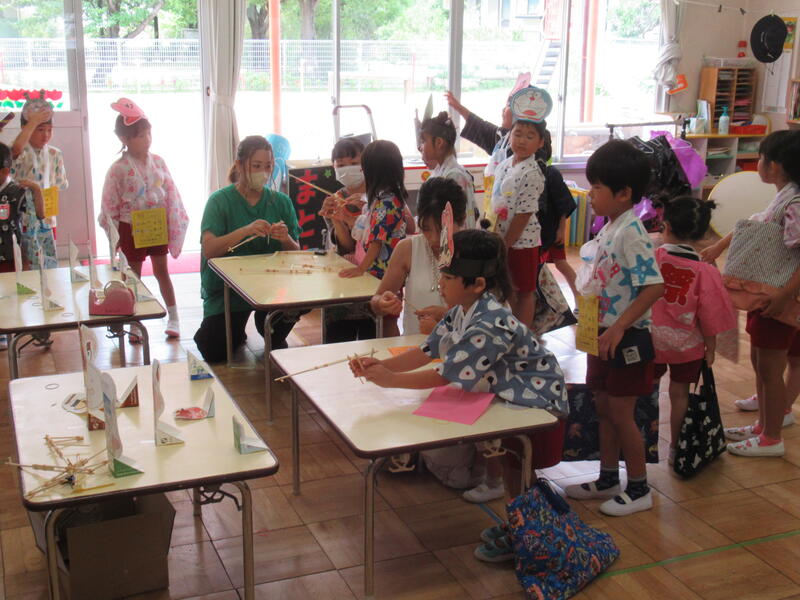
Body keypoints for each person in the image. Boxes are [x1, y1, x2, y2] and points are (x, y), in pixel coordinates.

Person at [349, 228, 567, 562]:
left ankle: (528, 536)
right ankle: (519, 525)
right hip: (513, 397)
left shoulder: (491, 321)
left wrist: (390, 380)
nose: (441, 285)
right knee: (511, 465)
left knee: (520, 468)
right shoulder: (463, 308)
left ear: (477, 283)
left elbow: (447, 373)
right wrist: (381, 365)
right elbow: (428, 350)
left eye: (448, 278)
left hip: (538, 402)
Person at [564, 140, 664, 517]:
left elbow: (653, 286)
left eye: (596, 187)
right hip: (603, 333)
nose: (590, 194)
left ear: (624, 193)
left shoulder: (631, 233)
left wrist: (620, 328)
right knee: (604, 407)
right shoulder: (610, 228)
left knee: (622, 413)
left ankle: (638, 487)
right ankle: (607, 477)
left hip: (626, 337)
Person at [703, 130, 800, 457]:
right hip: (768, 294)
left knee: (770, 369)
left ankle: (771, 437)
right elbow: (754, 224)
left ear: (775, 165)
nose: (758, 163)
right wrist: (719, 246)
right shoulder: (785, 196)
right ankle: (763, 426)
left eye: (760, 158)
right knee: (761, 363)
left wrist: (785, 295)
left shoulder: (794, 203)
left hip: (778, 298)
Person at [194, 135, 301, 363]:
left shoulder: (281, 202)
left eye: (268, 166)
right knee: (214, 350)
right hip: (227, 291)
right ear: (240, 165)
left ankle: (272, 330)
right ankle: (237, 329)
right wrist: (245, 230)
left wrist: (285, 239)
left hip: (271, 288)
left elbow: (296, 252)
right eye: (256, 166)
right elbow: (209, 250)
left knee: (275, 330)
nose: (263, 172)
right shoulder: (219, 201)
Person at [651, 196, 737, 464]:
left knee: (646, 392)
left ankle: (643, 444)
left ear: (665, 226)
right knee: (680, 395)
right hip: (687, 346)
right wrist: (711, 346)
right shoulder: (705, 271)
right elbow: (711, 314)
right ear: (704, 235)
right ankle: (676, 449)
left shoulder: (653, 258)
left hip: (650, 341)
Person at [99, 98, 188, 338]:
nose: (147, 139)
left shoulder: (158, 162)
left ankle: (174, 317)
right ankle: (133, 321)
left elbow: (171, 193)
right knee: (133, 274)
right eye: (140, 135)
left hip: (156, 223)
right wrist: (114, 234)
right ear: (124, 138)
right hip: (130, 226)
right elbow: (109, 204)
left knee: (162, 271)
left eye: (148, 133)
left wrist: (172, 221)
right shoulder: (117, 168)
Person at [370, 177, 466, 336]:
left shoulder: (477, 251)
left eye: (442, 230)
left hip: (465, 348)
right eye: (426, 228)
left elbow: (493, 315)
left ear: (461, 219)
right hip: (415, 347)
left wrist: (448, 317)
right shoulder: (408, 249)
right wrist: (381, 303)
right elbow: (376, 301)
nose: (434, 239)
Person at [492, 117, 546, 328]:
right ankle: (508, 330)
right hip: (501, 238)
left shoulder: (532, 172)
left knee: (523, 291)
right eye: (518, 134)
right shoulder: (504, 164)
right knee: (506, 288)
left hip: (522, 242)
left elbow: (524, 214)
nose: (522, 140)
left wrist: (506, 244)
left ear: (540, 142)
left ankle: (523, 336)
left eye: (530, 136)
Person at [338, 140, 408, 282]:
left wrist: (360, 269)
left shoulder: (386, 203)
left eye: (363, 168)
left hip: (382, 272)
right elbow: (369, 228)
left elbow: (376, 242)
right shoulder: (387, 198)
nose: (361, 171)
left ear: (372, 171)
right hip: (384, 269)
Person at [11, 95, 68, 269]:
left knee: (48, 259)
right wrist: (33, 121)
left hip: (47, 216)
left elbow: (60, 184)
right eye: (40, 129)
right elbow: (16, 149)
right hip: (23, 217)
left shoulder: (55, 154)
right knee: (27, 262)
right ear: (25, 129)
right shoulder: (20, 152)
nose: (46, 135)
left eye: (49, 130)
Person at [536, 130, 579, 303]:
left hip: (551, 230)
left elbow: (564, 204)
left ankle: (579, 299)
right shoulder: (526, 172)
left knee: (561, 264)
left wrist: (561, 229)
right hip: (537, 232)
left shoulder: (551, 173)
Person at [418, 111, 477, 227]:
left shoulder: (454, 176)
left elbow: (455, 222)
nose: (421, 147)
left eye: (424, 141)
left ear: (439, 142)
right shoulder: (441, 171)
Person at [0, 142, 44, 273]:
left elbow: (40, 214)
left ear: (5, 171)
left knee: (10, 283)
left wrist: (37, 189)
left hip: (10, 256)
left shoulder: (16, 191)